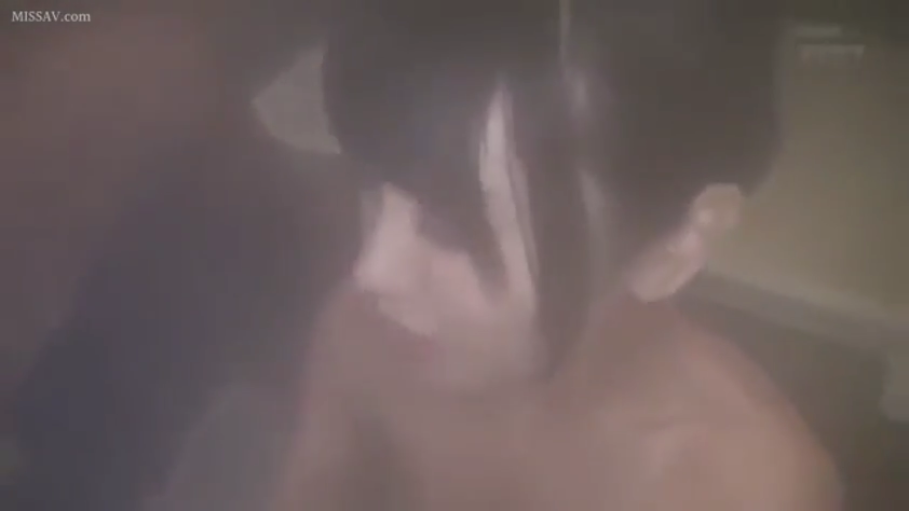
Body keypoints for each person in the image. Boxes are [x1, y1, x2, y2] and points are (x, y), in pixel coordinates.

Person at [273, 1, 843, 510]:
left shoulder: (741, 491)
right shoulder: (369, 339)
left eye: (451, 228)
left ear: (675, 247)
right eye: (373, 186)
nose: (373, 270)